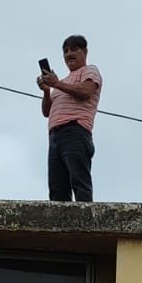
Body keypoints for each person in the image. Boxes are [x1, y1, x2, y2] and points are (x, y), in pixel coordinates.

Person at [37, 34, 102, 202]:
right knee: (57, 188)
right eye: (65, 51)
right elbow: (46, 112)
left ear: (85, 52)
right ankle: (62, 219)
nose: (69, 54)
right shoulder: (62, 82)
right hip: (55, 136)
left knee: (80, 181)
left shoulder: (90, 71)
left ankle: (85, 217)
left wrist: (56, 84)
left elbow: (86, 92)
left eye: (74, 49)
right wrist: (47, 91)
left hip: (75, 131)